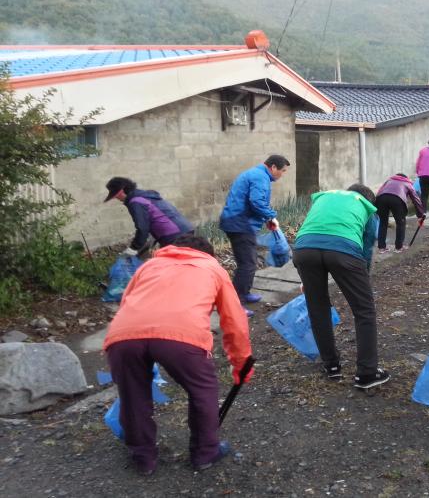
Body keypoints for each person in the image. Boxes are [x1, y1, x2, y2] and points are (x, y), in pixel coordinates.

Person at [102, 234, 253, 475]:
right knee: (202, 390)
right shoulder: (212, 268)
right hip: (182, 337)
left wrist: (140, 344)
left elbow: (127, 303)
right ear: (208, 254)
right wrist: (241, 364)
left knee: (132, 395)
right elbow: (235, 322)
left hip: (124, 335)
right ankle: (205, 453)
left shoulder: (149, 265)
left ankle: (143, 458)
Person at [293, 185, 389, 389]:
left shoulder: (325, 198)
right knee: (364, 310)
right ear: (369, 200)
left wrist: (305, 278)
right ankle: (367, 373)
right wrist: (364, 276)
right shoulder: (367, 207)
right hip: (344, 249)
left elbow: (314, 230)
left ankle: (331, 366)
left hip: (304, 249)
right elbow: (367, 246)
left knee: (317, 307)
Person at [219, 155, 289, 313]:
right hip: (240, 224)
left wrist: (266, 218)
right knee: (248, 264)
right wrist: (271, 215)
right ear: (273, 168)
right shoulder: (260, 177)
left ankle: (244, 293)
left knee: (248, 261)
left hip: (238, 221)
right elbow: (257, 201)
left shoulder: (256, 174)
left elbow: (255, 203)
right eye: (282, 171)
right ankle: (235, 305)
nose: (282, 174)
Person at [104, 177, 193, 256]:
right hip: (185, 229)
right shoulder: (145, 196)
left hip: (173, 236)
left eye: (116, 196)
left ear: (121, 192)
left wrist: (134, 248)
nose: (117, 199)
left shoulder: (135, 202)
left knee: (174, 265)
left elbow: (142, 228)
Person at [375, 173, 425, 253]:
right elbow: (416, 199)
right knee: (400, 223)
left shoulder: (389, 180)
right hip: (397, 199)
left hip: (381, 198)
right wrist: (420, 215)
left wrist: (375, 207)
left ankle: (381, 247)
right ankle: (398, 247)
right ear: (406, 178)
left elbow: (379, 191)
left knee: (383, 222)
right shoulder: (407, 183)